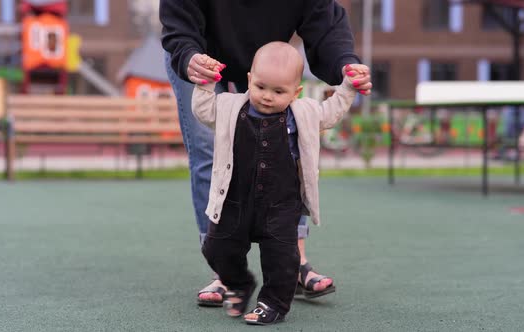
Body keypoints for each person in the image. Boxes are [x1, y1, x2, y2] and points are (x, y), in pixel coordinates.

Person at [159, 0, 372, 306]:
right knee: (209, 149)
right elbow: (179, 16)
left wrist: (346, 65)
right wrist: (188, 55)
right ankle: (226, 271)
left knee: (289, 144)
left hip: (269, 59)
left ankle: (292, 262)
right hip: (197, 49)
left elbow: (325, 23)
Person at [192, 41, 368, 325]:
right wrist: (204, 84)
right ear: (250, 80)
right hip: (235, 200)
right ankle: (238, 282)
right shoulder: (230, 106)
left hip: (281, 205)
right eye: (260, 87)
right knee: (216, 247)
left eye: (279, 91)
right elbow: (202, 111)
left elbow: (331, 111)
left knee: (282, 260)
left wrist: (348, 86)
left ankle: (272, 303)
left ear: (295, 93)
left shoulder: (303, 114)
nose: (267, 97)